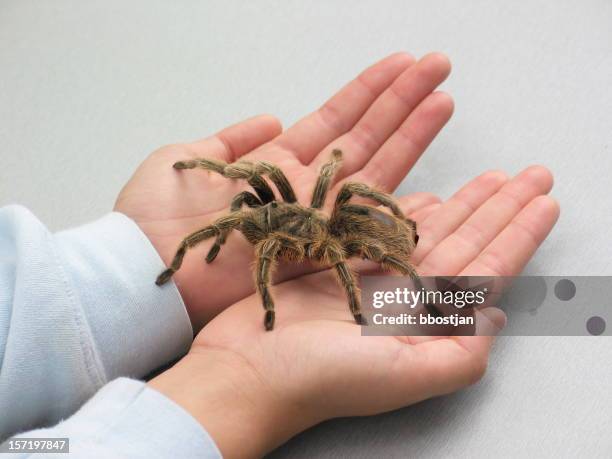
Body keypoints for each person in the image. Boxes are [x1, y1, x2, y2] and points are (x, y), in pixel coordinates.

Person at [0, 52, 559, 458]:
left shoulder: (309, 232)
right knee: (257, 196)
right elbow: (252, 194)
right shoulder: (274, 209)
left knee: (316, 237)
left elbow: (325, 228)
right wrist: (153, 247)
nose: (247, 215)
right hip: (321, 226)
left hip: (333, 234)